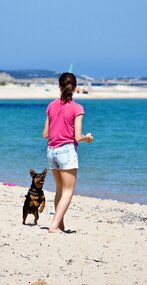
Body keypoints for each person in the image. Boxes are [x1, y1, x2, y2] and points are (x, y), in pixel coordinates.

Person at [42, 72, 94, 233]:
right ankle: (54, 225)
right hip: (66, 151)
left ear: (59, 86)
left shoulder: (51, 105)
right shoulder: (77, 107)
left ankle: (60, 225)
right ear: (75, 87)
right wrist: (88, 138)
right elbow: (78, 137)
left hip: (51, 151)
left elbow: (45, 134)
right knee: (68, 191)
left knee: (59, 190)